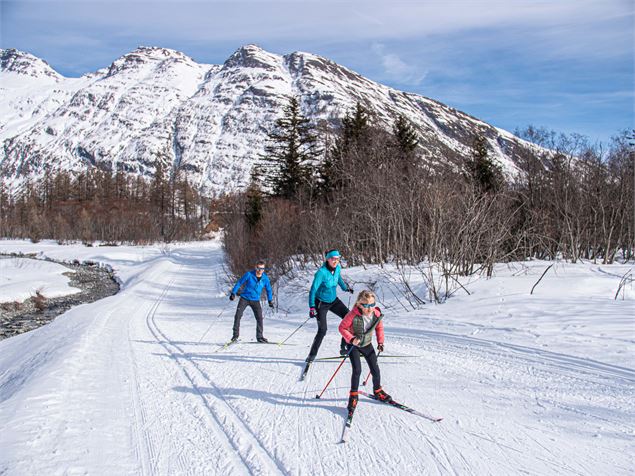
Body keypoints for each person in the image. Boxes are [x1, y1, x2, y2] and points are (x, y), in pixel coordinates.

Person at [338, 290, 391, 413]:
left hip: (367, 344)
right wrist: (351, 339)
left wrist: (380, 342)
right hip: (354, 345)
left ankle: (378, 391)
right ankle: (353, 396)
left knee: (375, 369)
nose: (370, 308)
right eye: (366, 306)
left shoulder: (376, 314)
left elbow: (379, 328)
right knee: (357, 370)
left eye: (372, 305)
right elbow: (342, 327)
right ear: (359, 305)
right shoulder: (352, 314)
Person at [306, 249, 354, 362]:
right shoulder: (321, 273)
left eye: (337, 259)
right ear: (327, 259)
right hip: (321, 303)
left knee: (349, 318)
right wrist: (312, 307)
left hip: (333, 300)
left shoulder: (337, 268)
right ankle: (311, 356)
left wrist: (345, 288)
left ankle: (344, 347)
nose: (335, 261)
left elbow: (339, 279)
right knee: (322, 330)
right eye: (333, 259)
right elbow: (313, 290)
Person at [229, 260, 273, 343]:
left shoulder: (265, 278)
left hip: (255, 300)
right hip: (244, 298)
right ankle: (235, 336)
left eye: (263, 268)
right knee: (238, 316)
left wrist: (270, 300)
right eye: (259, 268)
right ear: (256, 267)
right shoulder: (249, 274)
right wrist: (233, 293)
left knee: (259, 318)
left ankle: (259, 337)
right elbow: (239, 283)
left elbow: (269, 290)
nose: (261, 270)